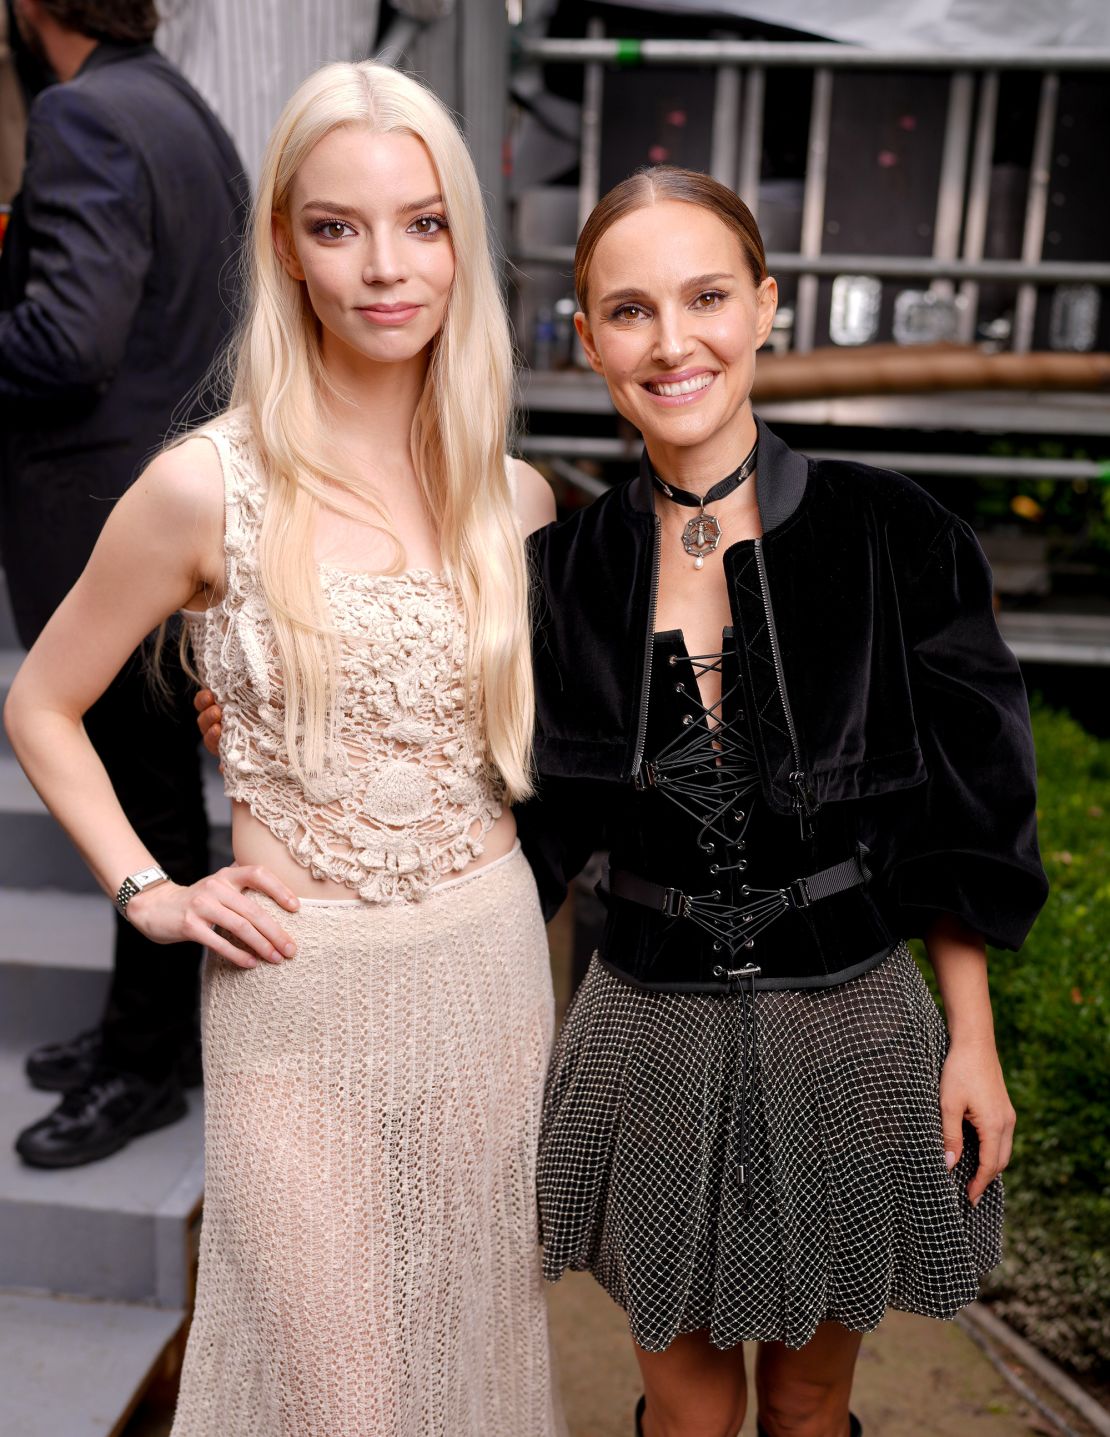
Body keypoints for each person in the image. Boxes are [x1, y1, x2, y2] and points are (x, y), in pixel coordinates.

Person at [5, 59, 563, 1436]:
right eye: (338, 226)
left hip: (489, 977)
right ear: (284, 248)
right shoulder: (203, 484)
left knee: (472, 1352)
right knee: (345, 1402)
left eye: (423, 223)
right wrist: (153, 890)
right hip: (295, 1001)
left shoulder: (519, 500)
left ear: (462, 244)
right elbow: (39, 702)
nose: (386, 266)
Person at [523, 169, 1048, 1437]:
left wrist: (970, 1042)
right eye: (631, 311)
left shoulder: (900, 534)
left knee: (810, 1405)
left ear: (766, 307)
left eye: (706, 296)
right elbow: (507, 816)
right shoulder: (558, 573)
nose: (673, 341)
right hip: (645, 1031)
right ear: (587, 339)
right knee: (685, 1409)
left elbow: (969, 813)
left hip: (850, 1023)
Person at [0, 0, 247, 1166]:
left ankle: (143, 1065)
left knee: (137, 796)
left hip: (99, 513)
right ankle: (149, 1029)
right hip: (166, 501)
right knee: (152, 787)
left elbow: (67, 342)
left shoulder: (82, 112)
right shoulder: (179, 106)